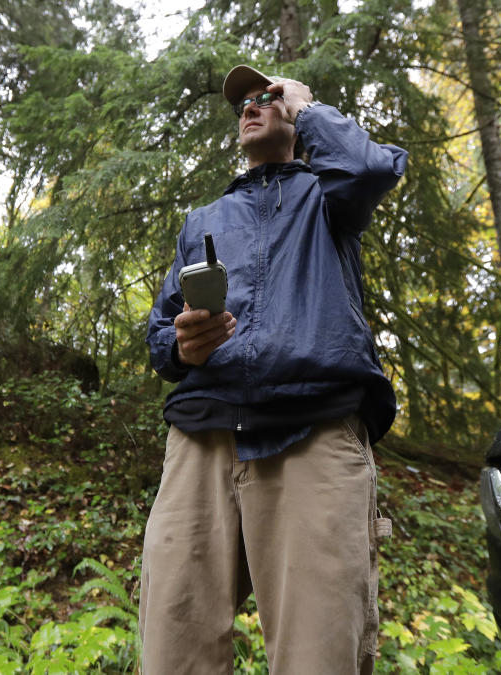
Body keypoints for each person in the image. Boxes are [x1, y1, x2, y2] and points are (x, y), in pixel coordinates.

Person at [139, 64, 408, 674]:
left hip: (313, 433)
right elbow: (160, 333)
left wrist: (306, 106)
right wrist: (183, 346)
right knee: (171, 653)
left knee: (318, 656)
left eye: (267, 96)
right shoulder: (203, 220)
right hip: (200, 440)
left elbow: (368, 167)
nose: (252, 106)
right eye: (245, 102)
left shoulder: (328, 197)